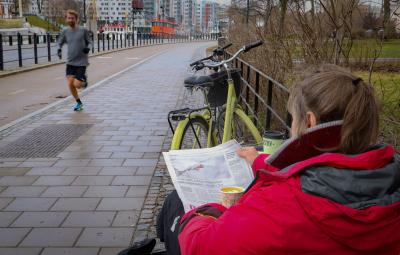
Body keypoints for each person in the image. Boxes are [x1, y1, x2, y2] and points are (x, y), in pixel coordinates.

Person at [157, 64, 400, 255]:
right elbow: (333, 177)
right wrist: (259, 163)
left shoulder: (283, 204)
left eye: (293, 119)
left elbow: (201, 247)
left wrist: (203, 212)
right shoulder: (391, 178)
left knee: (175, 203)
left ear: (310, 121)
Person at [57, 9, 92, 111]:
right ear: (66, 19)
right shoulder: (65, 31)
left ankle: (84, 82)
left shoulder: (83, 30)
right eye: (69, 18)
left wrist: (88, 48)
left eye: (72, 18)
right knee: (70, 84)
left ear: (76, 19)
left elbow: (90, 42)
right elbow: (59, 42)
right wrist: (59, 49)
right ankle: (78, 103)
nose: (70, 20)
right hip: (70, 62)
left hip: (81, 62)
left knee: (76, 84)